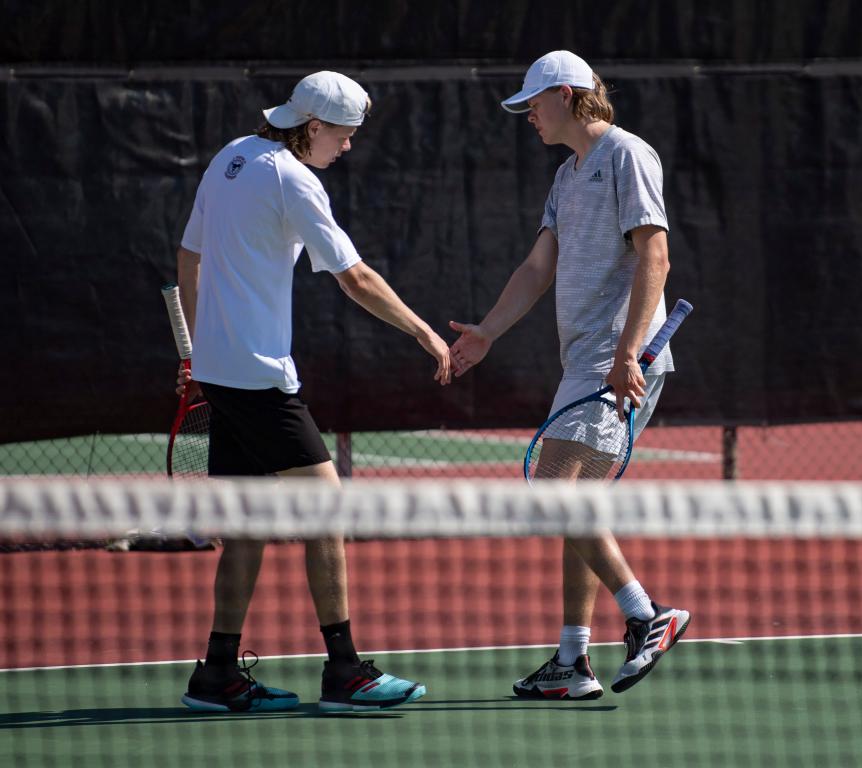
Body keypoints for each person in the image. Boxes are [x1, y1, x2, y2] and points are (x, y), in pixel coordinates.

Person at [175, 71, 451, 713]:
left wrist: (196, 349)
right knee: (326, 509)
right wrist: (423, 334)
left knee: (249, 526)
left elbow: (188, 256)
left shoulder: (229, 158)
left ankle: (216, 674)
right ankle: (346, 671)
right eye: (345, 136)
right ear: (314, 127)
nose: (348, 148)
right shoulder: (294, 178)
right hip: (261, 377)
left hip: (221, 370)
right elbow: (353, 277)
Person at [449, 51, 690, 700]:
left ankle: (646, 616)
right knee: (575, 503)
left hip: (616, 361)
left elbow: (656, 257)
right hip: (587, 358)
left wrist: (627, 354)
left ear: (566, 94)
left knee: (554, 488)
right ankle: (571, 660)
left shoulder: (627, 156)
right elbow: (536, 267)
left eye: (534, 102)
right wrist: (487, 333)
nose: (528, 115)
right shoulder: (566, 174)